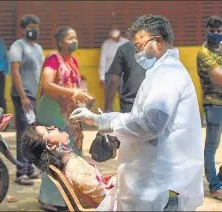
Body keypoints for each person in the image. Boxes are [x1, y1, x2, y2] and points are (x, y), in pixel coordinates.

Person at [70, 14, 204, 211]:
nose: (137, 53)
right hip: (151, 176)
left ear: (157, 41)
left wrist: (105, 123)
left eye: (140, 46)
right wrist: (100, 119)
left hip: (161, 181)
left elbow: (149, 124)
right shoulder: (158, 73)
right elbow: (138, 117)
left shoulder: (168, 75)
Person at [36, 26, 94, 210]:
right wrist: (74, 92)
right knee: (57, 153)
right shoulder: (54, 59)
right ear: (60, 42)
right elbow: (47, 85)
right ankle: (50, 199)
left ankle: (67, 196)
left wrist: (84, 98)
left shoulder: (73, 61)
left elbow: (73, 90)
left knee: (72, 154)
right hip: (52, 110)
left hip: (67, 112)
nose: (74, 41)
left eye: (75, 37)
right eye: (70, 38)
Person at [21, 126, 115, 207]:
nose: (53, 127)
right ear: (50, 146)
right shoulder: (73, 167)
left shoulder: (65, 161)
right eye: (49, 130)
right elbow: (103, 197)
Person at [8, 14, 44, 185]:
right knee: (23, 133)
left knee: (31, 134)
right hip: (23, 96)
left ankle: (29, 168)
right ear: (22, 29)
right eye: (30, 27)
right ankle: (21, 172)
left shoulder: (38, 48)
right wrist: (23, 97)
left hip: (34, 96)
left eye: (36, 27)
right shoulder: (18, 46)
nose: (33, 30)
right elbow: (15, 72)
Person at [197, 15, 222, 200]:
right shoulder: (204, 52)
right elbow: (218, 77)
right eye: (212, 31)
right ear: (206, 31)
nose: (216, 34)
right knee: (211, 147)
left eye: (219, 32)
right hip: (213, 105)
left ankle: (219, 178)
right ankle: (214, 185)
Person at [105, 41, 145, 113]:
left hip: (129, 106)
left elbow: (114, 80)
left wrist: (107, 107)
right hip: (153, 105)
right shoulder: (160, 48)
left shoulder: (124, 48)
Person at [98, 23, 129, 111]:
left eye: (115, 29)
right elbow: (103, 61)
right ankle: (108, 120)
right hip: (110, 74)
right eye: (112, 30)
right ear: (109, 33)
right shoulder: (106, 44)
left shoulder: (126, 43)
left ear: (119, 30)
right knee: (109, 98)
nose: (114, 31)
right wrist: (102, 78)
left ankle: (125, 117)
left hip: (124, 75)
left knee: (125, 97)